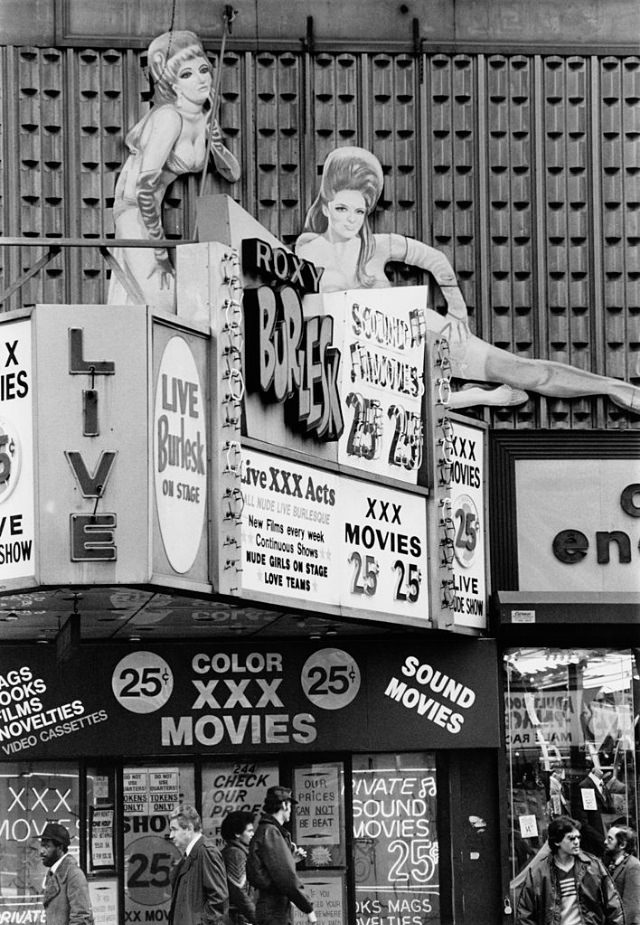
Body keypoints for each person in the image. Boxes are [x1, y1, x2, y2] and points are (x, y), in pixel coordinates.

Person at [295, 145, 640, 413]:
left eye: (360, 211)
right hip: (369, 354)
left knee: (523, 371)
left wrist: (456, 312)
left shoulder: (379, 246)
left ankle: (613, 388)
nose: (351, 219)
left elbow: (437, 261)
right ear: (326, 206)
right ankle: (476, 398)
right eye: (342, 209)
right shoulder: (309, 248)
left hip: (419, 330)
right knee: (389, 401)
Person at [108, 29, 241, 310]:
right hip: (134, 209)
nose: (200, 78)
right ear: (174, 85)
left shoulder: (201, 118)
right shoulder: (168, 118)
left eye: (203, 69)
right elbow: (144, 188)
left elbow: (232, 174)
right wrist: (160, 253)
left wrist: (215, 141)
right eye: (186, 74)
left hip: (149, 212)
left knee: (169, 301)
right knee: (163, 300)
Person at [516, 816, 623, 925]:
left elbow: (614, 907)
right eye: (571, 838)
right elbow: (525, 914)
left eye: (578, 837)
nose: (577, 842)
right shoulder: (539, 872)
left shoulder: (593, 866)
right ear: (557, 842)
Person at [248, 786, 316, 925]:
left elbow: (271, 870)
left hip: (271, 908)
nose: (291, 810)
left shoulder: (267, 831)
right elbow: (285, 877)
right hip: (274, 910)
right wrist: (308, 908)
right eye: (290, 805)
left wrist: (291, 860)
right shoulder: (271, 832)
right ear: (284, 804)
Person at [168, 803, 229, 925]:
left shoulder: (205, 852)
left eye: (174, 829)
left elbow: (219, 899)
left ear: (189, 828)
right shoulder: (191, 855)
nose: (171, 836)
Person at [40, 821, 94, 925]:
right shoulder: (53, 873)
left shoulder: (73, 874)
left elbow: (81, 918)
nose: (41, 851)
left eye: (47, 846)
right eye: (42, 846)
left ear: (60, 848)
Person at [220, 811, 256, 925]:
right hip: (239, 918)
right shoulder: (235, 854)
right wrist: (257, 918)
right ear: (237, 833)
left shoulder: (236, 852)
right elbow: (238, 892)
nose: (253, 834)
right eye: (249, 831)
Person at [572, 767, 612, 857]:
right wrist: (601, 840)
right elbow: (583, 822)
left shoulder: (603, 785)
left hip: (607, 841)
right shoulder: (585, 786)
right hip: (594, 846)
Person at [605, 825, 640, 925]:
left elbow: (631, 909)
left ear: (622, 845)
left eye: (610, 839)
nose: (605, 842)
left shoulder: (633, 866)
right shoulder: (610, 863)